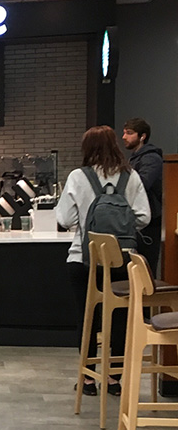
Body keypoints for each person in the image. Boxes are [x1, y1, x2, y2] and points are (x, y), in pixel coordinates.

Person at [57, 126, 150, 396]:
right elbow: (143, 217)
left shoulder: (77, 177)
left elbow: (64, 219)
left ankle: (87, 380)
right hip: (123, 261)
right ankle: (114, 379)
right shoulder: (130, 176)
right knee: (120, 317)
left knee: (86, 317)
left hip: (83, 259)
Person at [122, 118, 163, 275]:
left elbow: (141, 185)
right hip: (139, 220)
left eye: (129, 133)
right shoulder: (134, 158)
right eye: (124, 133)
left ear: (143, 136)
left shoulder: (151, 159)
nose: (124, 137)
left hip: (150, 222)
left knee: (145, 269)